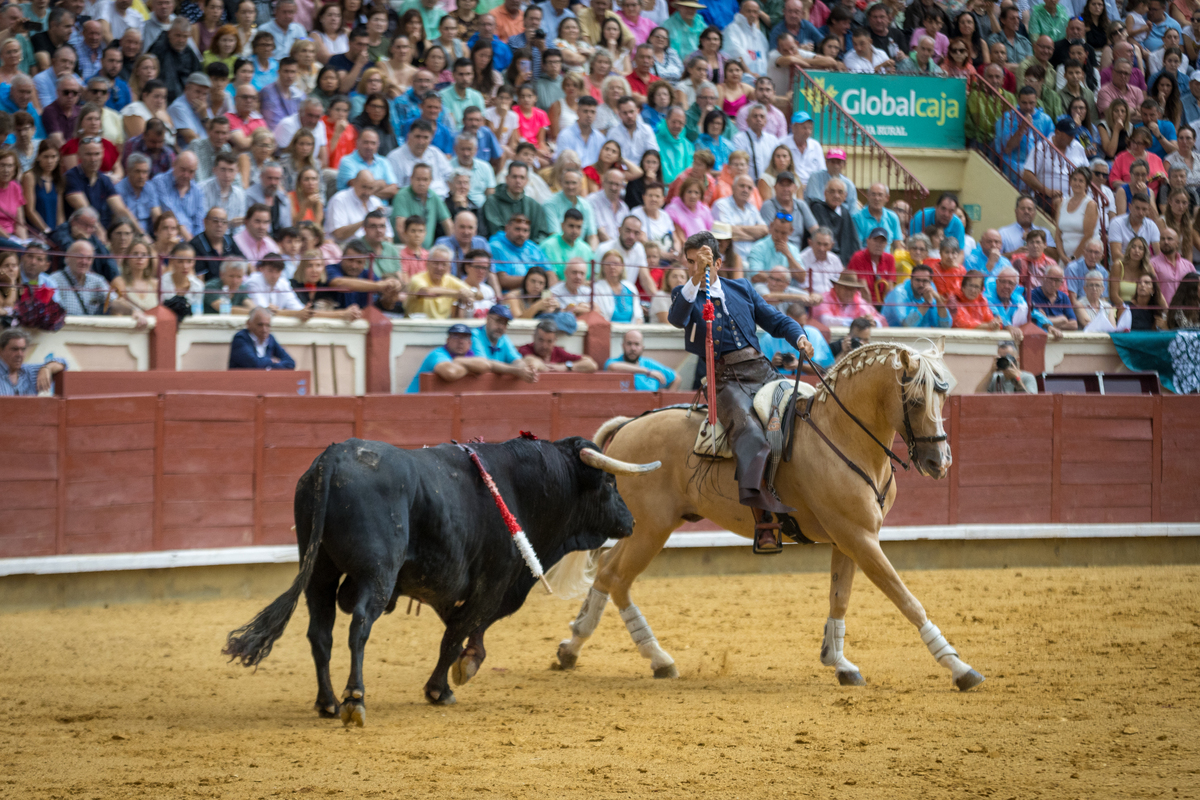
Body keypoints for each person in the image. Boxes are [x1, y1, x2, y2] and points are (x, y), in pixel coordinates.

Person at [667, 230, 816, 553]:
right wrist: (695, 278)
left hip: (762, 370)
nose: (695, 266)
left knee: (805, 412)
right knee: (750, 432)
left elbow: (776, 320)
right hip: (725, 380)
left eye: (702, 261)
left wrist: (799, 337)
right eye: (690, 261)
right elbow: (677, 318)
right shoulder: (686, 294)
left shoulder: (742, 288)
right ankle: (765, 523)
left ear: (719, 262)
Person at [404, 322, 535, 392]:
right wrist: (472, 368)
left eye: (464, 338)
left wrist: (459, 361)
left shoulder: (469, 356)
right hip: (415, 402)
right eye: (456, 336)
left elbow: (486, 365)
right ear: (448, 340)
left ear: (470, 343)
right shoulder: (437, 354)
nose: (460, 341)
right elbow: (449, 372)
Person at [405, 244, 474, 318]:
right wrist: (458, 293)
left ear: (449, 267)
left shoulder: (449, 279)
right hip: (416, 326)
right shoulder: (417, 278)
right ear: (427, 263)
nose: (439, 268)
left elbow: (475, 293)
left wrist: (470, 293)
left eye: (444, 264)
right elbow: (427, 292)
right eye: (436, 263)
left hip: (442, 326)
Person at [604, 328, 676, 390]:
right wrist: (647, 372)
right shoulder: (614, 362)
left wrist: (667, 402)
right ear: (623, 346)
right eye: (629, 344)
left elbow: (676, 379)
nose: (633, 348)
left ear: (642, 347)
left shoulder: (649, 364)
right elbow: (613, 367)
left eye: (637, 344)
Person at [883, 263, 952, 327]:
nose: (921, 284)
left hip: (920, 336)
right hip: (893, 337)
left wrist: (938, 299)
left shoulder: (930, 288)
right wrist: (927, 304)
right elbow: (907, 325)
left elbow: (945, 326)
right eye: (917, 280)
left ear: (930, 281)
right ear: (911, 280)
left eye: (925, 281)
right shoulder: (899, 292)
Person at [229, 307, 296, 369]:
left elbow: (290, 363)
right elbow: (254, 364)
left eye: (267, 325)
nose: (264, 330)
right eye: (260, 325)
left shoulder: (270, 339)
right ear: (249, 324)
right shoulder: (240, 338)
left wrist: (270, 365)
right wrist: (271, 360)